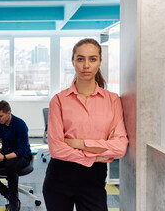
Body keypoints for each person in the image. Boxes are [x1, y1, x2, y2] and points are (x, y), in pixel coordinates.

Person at [42, 38, 129, 211]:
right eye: (80, 59)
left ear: (100, 62)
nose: (86, 65)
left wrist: (79, 143)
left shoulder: (112, 100)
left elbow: (120, 147)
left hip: (93, 180)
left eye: (92, 59)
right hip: (59, 177)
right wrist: (95, 156)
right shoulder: (59, 100)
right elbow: (56, 149)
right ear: (73, 61)